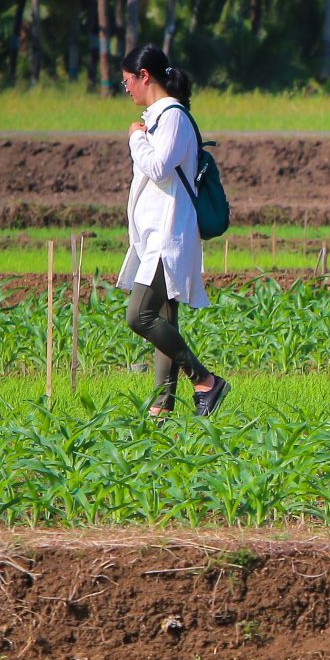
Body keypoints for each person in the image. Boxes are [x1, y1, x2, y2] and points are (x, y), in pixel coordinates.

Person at [117, 43, 228, 418]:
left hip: (168, 237)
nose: (127, 89)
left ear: (143, 76)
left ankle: (205, 380)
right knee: (164, 320)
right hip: (157, 236)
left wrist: (135, 137)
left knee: (140, 316)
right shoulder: (159, 118)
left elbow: (161, 167)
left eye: (127, 82)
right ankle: (161, 411)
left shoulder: (174, 118)